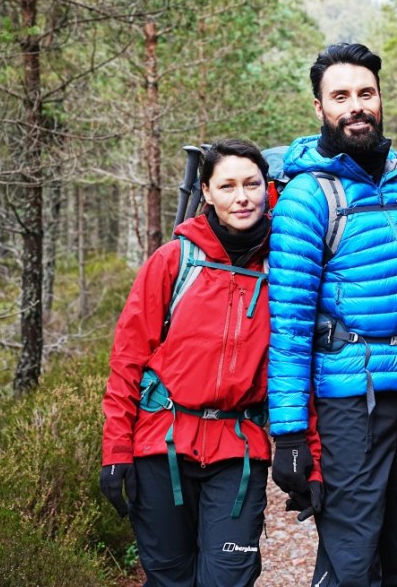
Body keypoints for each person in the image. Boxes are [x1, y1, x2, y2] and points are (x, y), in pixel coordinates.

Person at [266, 42, 397, 586]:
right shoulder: (306, 197)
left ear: (381, 99)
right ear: (319, 108)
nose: (355, 106)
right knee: (353, 559)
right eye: (340, 96)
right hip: (349, 409)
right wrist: (290, 433)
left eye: (365, 93)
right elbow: (289, 326)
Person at [100, 139, 274, 587]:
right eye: (228, 185)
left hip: (239, 451)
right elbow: (128, 360)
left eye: (252, 184)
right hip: (162, 447)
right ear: (208, 193)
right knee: (168, 578)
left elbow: (298, 367)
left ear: (268, 188)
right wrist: (116, 451)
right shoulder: (174, 261)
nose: (242, 197)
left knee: (228, 577)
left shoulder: (284, 267)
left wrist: (308, 454)